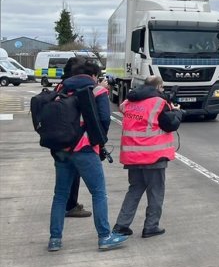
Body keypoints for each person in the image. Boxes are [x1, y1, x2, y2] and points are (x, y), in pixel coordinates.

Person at [47, 59, 129, 251]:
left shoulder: (61, 90)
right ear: (93, 76)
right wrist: (98, 142)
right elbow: (103, 120)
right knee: (98, 193)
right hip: (84, 148)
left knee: (60, 195)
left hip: (61, 148)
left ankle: (55, 239)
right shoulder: (97, 91)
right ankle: (104, 236)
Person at [112, 76, 184, 238]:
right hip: (153, 155)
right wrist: (178, 112)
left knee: (135, 189)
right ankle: (151, 226)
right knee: (156, 192)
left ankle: (121, 225)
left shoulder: (129, 103)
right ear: (158, 86)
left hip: (132, 155)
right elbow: (170, 124)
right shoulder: (158, 103)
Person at [58, 57, 92, 218]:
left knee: (61, 187)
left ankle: (55, 237)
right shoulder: (81, 88)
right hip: (75, 140)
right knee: (95, 188)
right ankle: (70, 205)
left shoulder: (61, 86)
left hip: (58, 139)